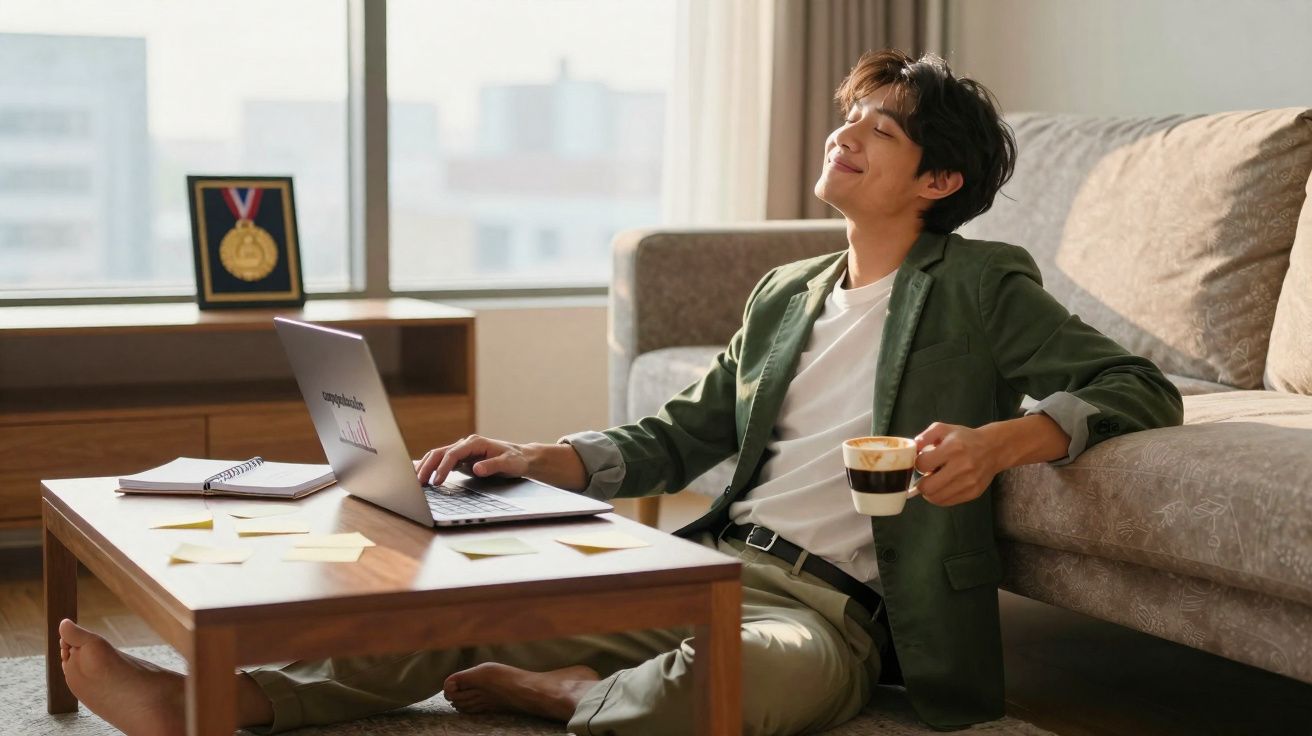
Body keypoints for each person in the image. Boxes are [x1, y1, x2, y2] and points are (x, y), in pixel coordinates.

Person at [56, 49, 1184, 735]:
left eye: (878, 130)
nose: (846, 131)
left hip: (835, 612)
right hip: (702, 568)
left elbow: (1132, 384)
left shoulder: (980, 283)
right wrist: (546, 458)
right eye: (850, 114)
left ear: (936, 183)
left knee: (739, 691)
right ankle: (220, 703)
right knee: (465, 600)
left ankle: (553, 696)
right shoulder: (786, 289)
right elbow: (685, 429)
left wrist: (1002, 441)